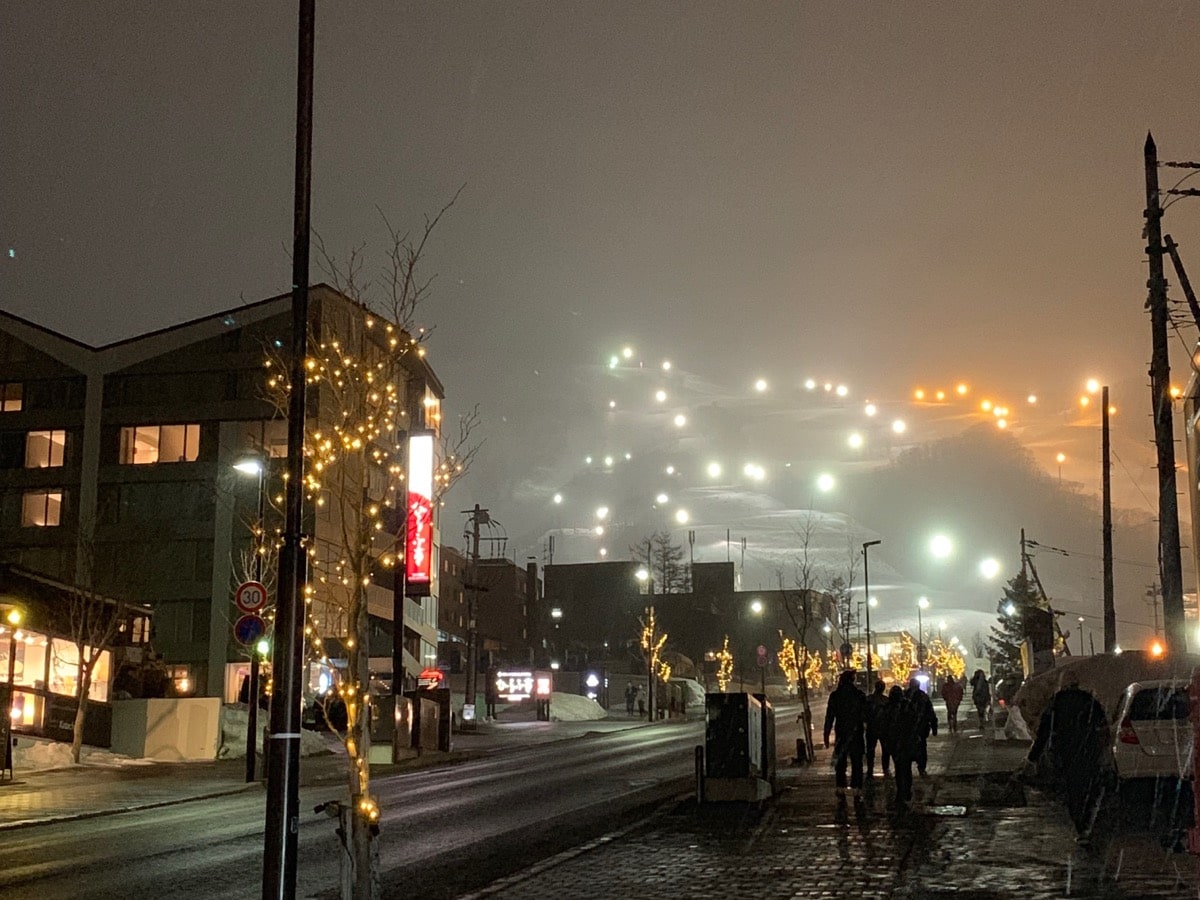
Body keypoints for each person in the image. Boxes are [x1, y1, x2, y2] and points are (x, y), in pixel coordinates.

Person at [1024, 677, 1110, 840]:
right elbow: (1102, 725)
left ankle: (1080, 825)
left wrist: (1032, 757)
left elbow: (1044, 732)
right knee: (1089, 788)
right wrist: (1102, 750)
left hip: (1066, 752)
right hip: (1088, 751)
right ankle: (1087, 823)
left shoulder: (1057, 702)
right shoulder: (1089, 700)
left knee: (1072, 791)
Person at [823, 670, 868, 799]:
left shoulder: (835, 696)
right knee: (857, 761)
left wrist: (826, 734)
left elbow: (830, 716)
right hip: (856, 732)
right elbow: (865, 715)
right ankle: (857, 787)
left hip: (841, 732)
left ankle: (840, 786)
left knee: (841, 761)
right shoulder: (859, 695)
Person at [883, 685, 921, 806]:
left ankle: (903, 791)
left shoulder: (892, 707)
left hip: (900, 741)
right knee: (903, 767)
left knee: (900, 767)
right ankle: (904, 790)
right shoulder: (905, 706)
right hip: (902, 741)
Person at [905, 677, 938, 776]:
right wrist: (934, 726)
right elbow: (930, 712)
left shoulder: (908, 696)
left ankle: (920, 766)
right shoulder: (920, 696)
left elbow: (930, 712)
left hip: (917, 727)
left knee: (919, 747)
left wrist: (933, 725)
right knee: (920, 747)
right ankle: (920, 767)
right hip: (915, 727)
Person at [865, 679, 890, 777]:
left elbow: (864, 713)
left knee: (870, 750)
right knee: (885, 750)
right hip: (883, 728)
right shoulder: (886, 700)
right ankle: (885, 768)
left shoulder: (869, 699)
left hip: (872, 727)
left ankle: (870, 769)